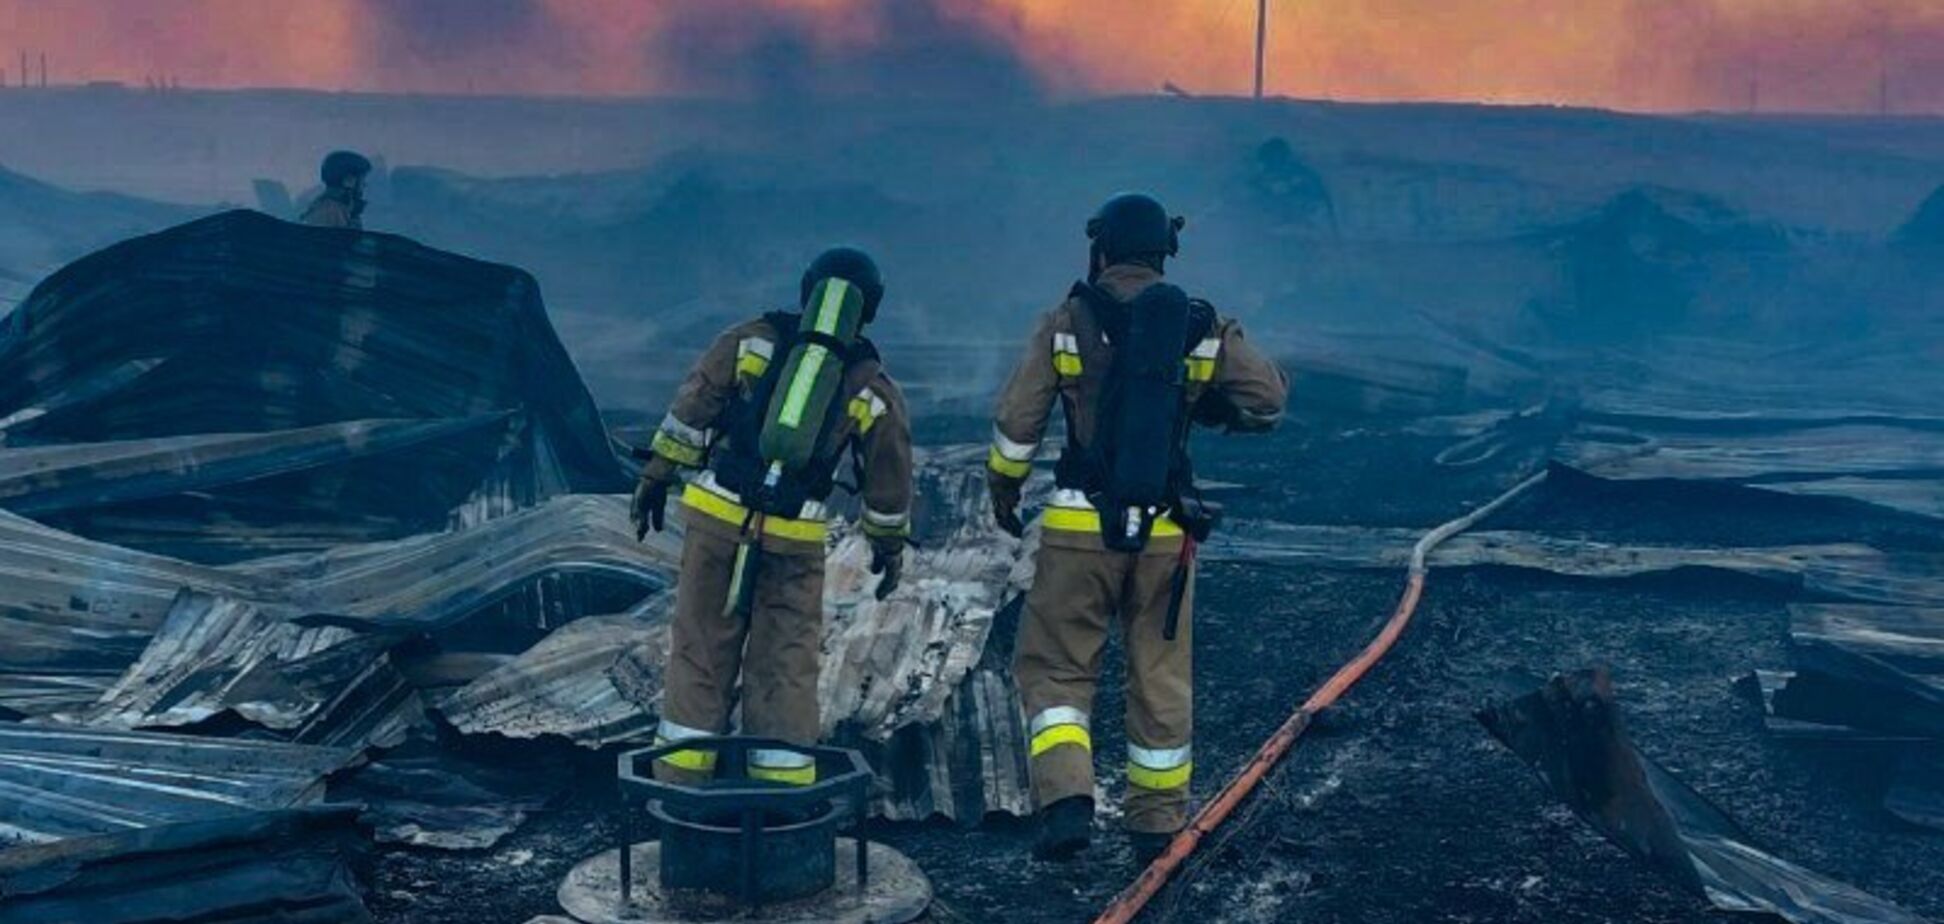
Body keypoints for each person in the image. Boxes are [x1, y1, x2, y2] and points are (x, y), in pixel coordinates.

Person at [987, 193, 1289, 861]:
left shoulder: (1066, 320)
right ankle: (1157, 824)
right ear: (1163, 253)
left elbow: (1016, 424)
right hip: (1164, 532)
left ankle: (1066, 800)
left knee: (1059, 668)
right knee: (1159, 674)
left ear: (1101, 250)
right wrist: (1210, 407)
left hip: (1076, 527)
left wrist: (1003, 490)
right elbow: (1267, 400)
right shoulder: (1200, 324)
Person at [631, 247, 913, 785]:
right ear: (870, 309)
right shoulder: (873, 384)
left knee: (700, 650)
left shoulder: (751, 340)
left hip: (717, 520)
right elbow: (889, 477)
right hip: (793, 538)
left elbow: (694, 408)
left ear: (806, 291)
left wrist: (656, 477)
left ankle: (680, 789)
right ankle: (779, 797)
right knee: (785, 662)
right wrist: (888, 547)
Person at [299, 150, 372, 229]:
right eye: (362, 179)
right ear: (349, 180)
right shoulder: (329, 212)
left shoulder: (342, 209)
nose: (364, 185)